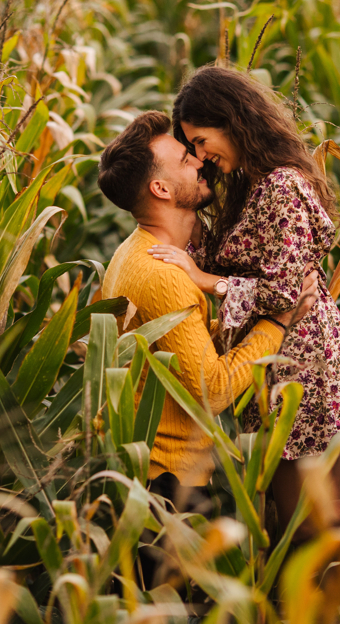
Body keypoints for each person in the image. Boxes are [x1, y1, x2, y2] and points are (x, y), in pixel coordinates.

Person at [148, 64, 340, 539]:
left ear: (232, 120)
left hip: (304, 363)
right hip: (279, 361)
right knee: (304, 520)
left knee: (311, 519)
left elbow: (283, 291)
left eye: (202, 141)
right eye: (191, 148)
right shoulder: (248, 182)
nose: (200, 157)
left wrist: (205, 280)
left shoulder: (282, 185)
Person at [97, 110, 319, 500]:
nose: (200, 162)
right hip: (165, 480)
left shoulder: (133, 251)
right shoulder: (163, 275)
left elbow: (181, 350)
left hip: (135, 465)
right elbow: (212, 390)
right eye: (186, 160)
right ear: (161, 189)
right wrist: (279, 321)